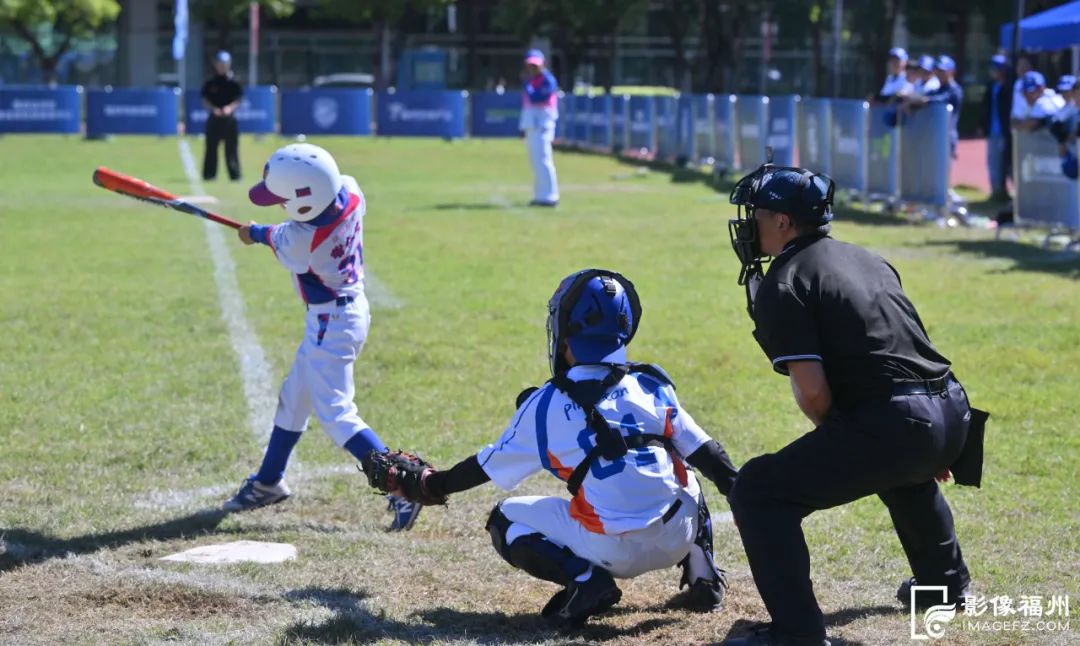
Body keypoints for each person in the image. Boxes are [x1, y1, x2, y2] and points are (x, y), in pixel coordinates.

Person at [376, 269, 741, 627]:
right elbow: (710, 453)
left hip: (612, 551)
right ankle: (703, 574)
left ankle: (585, 581)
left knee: (505, 519)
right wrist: (743, 492)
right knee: (683, 464)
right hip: (677, 535)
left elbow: (484, 467)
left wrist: (431, 485)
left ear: (567, 336)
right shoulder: (652, 383)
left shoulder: (545, 404)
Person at [721, 163, 988, 646]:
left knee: (757, 491)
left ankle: (796, 633)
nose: (748, 223)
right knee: (897, 464)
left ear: (783, 221)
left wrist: (867, 435)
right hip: (952, 408)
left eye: (757, 213)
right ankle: (944, 585)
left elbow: (816, 392)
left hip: (904, 419)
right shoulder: (866, 258)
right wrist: (927, 443)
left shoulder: (786, 279)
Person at [224, 143, 422, 532]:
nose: (278, 204)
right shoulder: (351, 190)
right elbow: (286, 227)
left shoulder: (302, 242)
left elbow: (279, 236)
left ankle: (404, 487)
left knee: (337, 413)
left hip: (332, 321)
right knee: (294, 397)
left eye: (282, 199)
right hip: (348, 309)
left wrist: (255, 233)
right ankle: (268, 482)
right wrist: (263, 232)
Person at [519, 49, 560, 207]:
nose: (532, 68)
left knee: (544, 159)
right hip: (532, 125)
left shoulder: (547, 80)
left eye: (535, 65)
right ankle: (540, 195)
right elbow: (527, 107)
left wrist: (528, 86)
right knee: (535, 161)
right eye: (530, 65)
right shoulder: (531, 81)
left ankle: (550, 196)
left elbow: (538, 97)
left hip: (542, 124)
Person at [201, 51, 243, 181]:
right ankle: (209, 175)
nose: (222, 67)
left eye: (224, 64)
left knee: (231, 149)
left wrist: (229, 108)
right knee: (211, 148)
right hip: (214, 119)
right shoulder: (210, 81)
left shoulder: (234, 82)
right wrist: (213, 109)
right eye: (219, 64)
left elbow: (238, 99)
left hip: (229, 119)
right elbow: (204, 99)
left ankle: (235, 175)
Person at [982, 54, 1013, 201]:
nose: (992, 72)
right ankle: (997, 192)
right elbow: (986, 108)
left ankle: (1006, 192)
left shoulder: (1009, 87)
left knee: (1006, 163)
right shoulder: (990, 86)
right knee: (993, 161)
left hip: (1006, 131)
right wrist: (982, 125)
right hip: (993, 131)